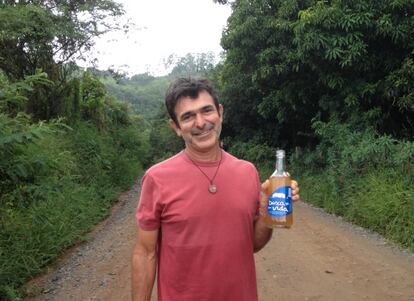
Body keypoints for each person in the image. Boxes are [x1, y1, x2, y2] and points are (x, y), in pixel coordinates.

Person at [131, 78, 300, 301]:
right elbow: (145, 253)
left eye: (207, 110)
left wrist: (269, 210)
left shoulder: (247, 172)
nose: (201, 122)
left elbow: (253, 245)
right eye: (188, 116)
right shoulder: (157, 178)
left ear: (220, 113)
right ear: (176, 127)